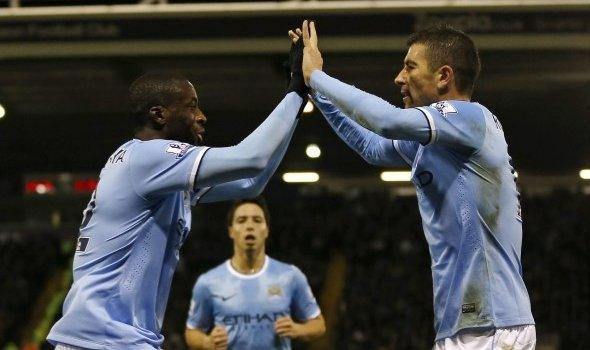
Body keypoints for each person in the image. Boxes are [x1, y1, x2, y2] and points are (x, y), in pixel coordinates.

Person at [46, 38, 309, 350]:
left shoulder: (159, 174)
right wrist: (296, 90)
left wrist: (294, 101)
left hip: (111, 339)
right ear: (159, 115)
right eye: (192, 106)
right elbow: (252, 157)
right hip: (100, 340)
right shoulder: (148, 158)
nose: (202, 116)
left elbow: (251, 182)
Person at [295, 20, 536, 349]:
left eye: (410, 67)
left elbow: (387, 120)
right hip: (466, 323)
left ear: (444, 76)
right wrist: (317, 93)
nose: (399, 78)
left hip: (490, 323)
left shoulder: (471, 118)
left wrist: (319, 77)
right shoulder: (434, 140)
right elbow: (372, 146)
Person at [185, 197, 325, 350]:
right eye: (242, 220)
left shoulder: (290, 276)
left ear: (267, 229)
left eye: (257, 220)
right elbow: (192, 332)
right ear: (231, 231)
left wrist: (298, 329)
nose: (250, 226)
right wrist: (207, 342)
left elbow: (318, 324)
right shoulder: (208, 282)